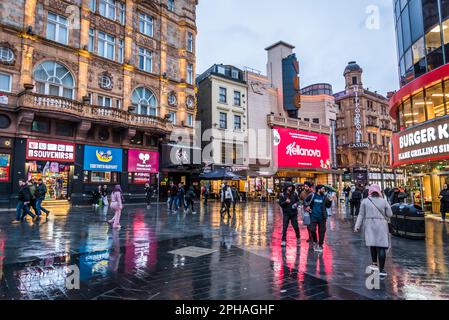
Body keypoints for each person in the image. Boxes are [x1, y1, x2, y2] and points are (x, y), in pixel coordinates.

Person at [354, 184, 393, 279]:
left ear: (370, 191)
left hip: (370, 225)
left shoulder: (365, 201)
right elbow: (390, 214)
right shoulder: (383, 201)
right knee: (381, 247)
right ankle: (382, 270)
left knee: (372, 244)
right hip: (381, 226)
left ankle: (374, 264)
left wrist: (357, 226)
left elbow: (360, 214)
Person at [304, 185, 332, 252]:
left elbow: (328, 206)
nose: (324, 190)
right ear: (319, 189)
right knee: (312, 229)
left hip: (322, 217)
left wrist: (330, 201)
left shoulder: (325, 197)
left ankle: (320, 245)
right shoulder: (312, 195)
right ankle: (315, 241)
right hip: (313, 216)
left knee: (322, 231)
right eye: (323, 189)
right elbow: (305, 200)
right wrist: (307, 206)